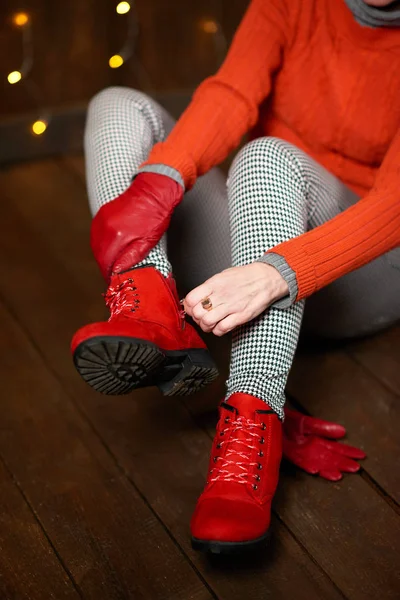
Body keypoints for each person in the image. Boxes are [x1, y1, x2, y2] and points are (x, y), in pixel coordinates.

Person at [71, 0, 400, 554]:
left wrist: (282, 272)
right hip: (261, 231)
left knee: (268, 156)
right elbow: (232, 93)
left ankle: (253, 421)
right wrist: (162, 181)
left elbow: (394, 205)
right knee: (117, 102)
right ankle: (149, 307)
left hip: (363, 265)